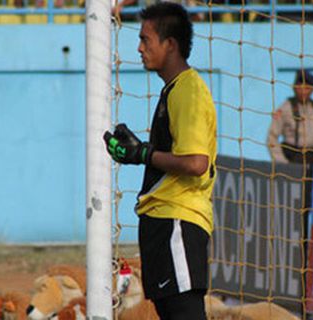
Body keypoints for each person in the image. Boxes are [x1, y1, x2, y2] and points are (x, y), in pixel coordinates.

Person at [102, 3, 216, 319]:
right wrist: (140, 153)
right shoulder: (173, 90)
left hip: (177, 221)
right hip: (162, 222)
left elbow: (196, 163)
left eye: (145, 39)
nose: (138, 48)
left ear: (170, 45)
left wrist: (144, 154)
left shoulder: (188, 91)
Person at [267, 69, 313, 165]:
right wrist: (282, 162)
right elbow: (272, 137)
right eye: (300, 87)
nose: (303, 92)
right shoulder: (285, 108)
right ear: (294, 88)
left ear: (312, 89)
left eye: (307, 88)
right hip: (294, 158)